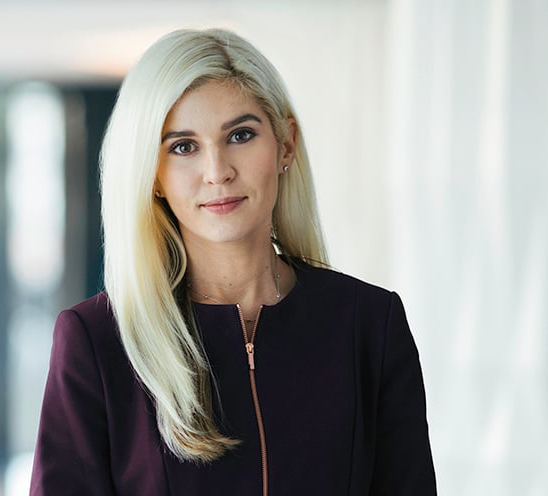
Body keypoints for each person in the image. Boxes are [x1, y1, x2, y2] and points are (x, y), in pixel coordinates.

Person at [29, 28, 436, 495]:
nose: (217, 171)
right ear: (153, 174)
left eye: (240, 135)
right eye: (183, 146)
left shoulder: (369, 325)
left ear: (285, 145)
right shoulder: (98, 342)